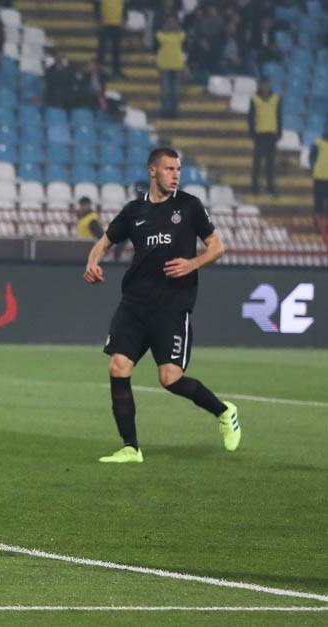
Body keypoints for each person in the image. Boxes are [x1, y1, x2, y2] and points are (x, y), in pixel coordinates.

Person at [82, 147, 240, 463]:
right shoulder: (134, 211)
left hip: (171, 306)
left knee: (169, 378)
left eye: (178, 169)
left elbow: (218, 247)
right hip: (134, 304)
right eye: (169, 169)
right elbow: (104, 242)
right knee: (118, 367)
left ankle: (224, 411)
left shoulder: (190, 206)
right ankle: (130, 447)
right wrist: (92, 262)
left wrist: (192, 263)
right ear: (153, 171)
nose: (176, 174)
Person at [248, 78, 281, 196]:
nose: (265, 87)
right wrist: (252, 132)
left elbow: (278, 115)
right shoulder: (254, 99)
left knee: (270, 163)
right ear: (259, 86)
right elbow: (251, 117)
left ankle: (270, 187)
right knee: (257, 163)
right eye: (263, 85)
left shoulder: (276, 98)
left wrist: (279, 132)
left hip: (271, 134)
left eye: (267, 84)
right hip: (260, 134)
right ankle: (254, 187)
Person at [155, 15, 185, 119]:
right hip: (164, 65)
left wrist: (176, 27)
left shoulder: (180, 35)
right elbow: (159, 36)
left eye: (174, 22)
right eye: (169, 22)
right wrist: (166, 27)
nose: (172, 24)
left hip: (177, 65)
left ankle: (174, 112)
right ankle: (165, 111)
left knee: (175, 91)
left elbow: (182, 33)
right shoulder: (161, 35)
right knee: (165, 90)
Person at [95, 0, 125, 78]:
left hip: (117, 23)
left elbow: (124, 7)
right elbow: (97, 5)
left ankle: (116, 70)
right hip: (105, 24)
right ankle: (99, 70)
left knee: (116, 50)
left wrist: (123, 19)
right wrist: (98, 20)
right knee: (102, 49)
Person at [310, 124, 328, 241]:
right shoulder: (317, 143)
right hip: (319, 178)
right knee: (318, 204)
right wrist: (314, 168)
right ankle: (317, 227)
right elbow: (311, 158)